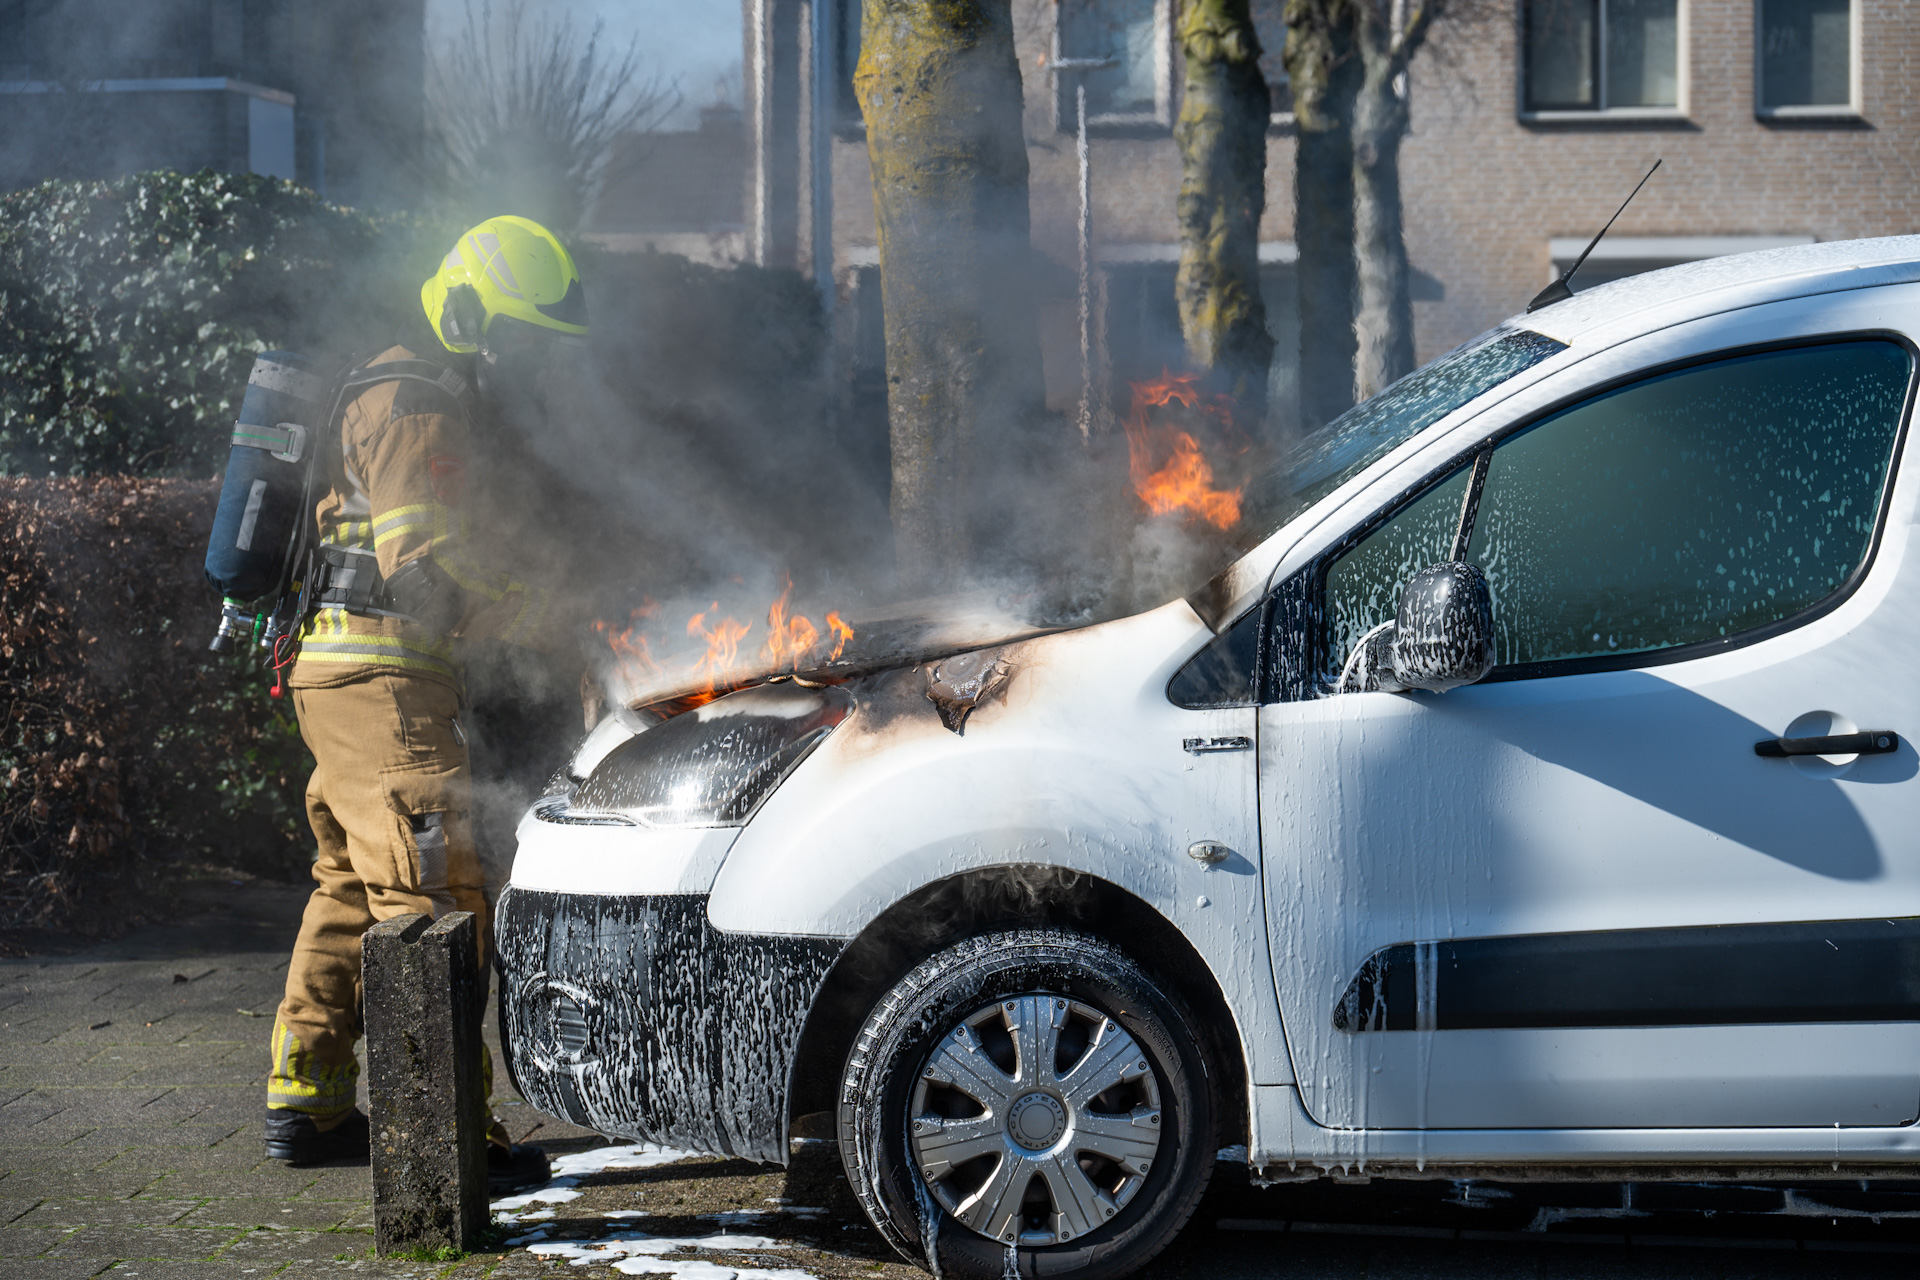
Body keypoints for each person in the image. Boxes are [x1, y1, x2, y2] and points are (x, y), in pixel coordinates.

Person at [262, 216, 587, 1192]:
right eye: (515, 334)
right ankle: (450, 1136)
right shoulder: (416, 403)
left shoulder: (405, 387)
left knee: (351, 886)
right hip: (387, 683)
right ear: (465, 309)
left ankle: (306, 1096)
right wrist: (542, 622)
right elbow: (426, 579)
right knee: (434, 897)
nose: (522, 358)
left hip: (341, 676)